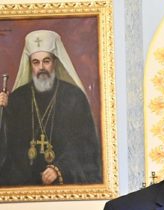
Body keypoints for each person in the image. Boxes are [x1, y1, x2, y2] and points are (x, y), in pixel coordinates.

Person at [0, 29, 101, 186]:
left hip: (63, 184)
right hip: (25, 187)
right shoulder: (17, 98)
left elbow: (84, 147)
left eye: (46, 61)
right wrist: (3, 112)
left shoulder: (74, 97)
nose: (41, 67)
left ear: (55, 62)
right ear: (30, 65)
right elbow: (8, 149)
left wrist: (59, 169)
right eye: (36, 62)